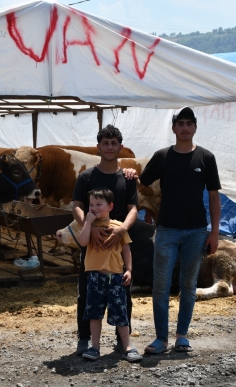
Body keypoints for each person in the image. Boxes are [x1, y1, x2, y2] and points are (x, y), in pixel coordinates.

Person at [136, 106, 221, 354]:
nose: (184, 128)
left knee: (188, 284)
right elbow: (142, 183)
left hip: (196, 231)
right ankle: (161, 339)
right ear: (174, 128)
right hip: (167, 230)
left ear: (195, 128)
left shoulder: (206, 158)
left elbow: (214, 197)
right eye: (180, 123)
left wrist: (214, 233)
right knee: (160, 285)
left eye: (189, 123)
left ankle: (182, 336)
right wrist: (130, 174)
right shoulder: (162, 156)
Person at [72, 124, 141, 361]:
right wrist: (88, 229)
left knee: (123, 294)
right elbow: (77, 206)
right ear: (98, 146)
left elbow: (134, 209)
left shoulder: (128, 178)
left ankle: (124, 342)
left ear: (120, 147)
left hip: (118, 244)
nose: (109, 147)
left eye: (114, 143)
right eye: (105, 143)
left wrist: (122, 229)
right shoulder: (86, 176)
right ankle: (86, 339)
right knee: (87, 293)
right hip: (92, 246)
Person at [77, 189, 140, 362]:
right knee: (94, 313)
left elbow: (126, 249)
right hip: (95, 277)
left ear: (110, 206)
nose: (94, 208)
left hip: (115, 277)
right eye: (91, 205)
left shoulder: (119, 226)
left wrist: (128, 270)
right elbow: (82, 242)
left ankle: (126, 346)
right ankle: (95, 347)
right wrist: (88, 222)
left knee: (120, 312)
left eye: (99, 204)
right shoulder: (89, 227)